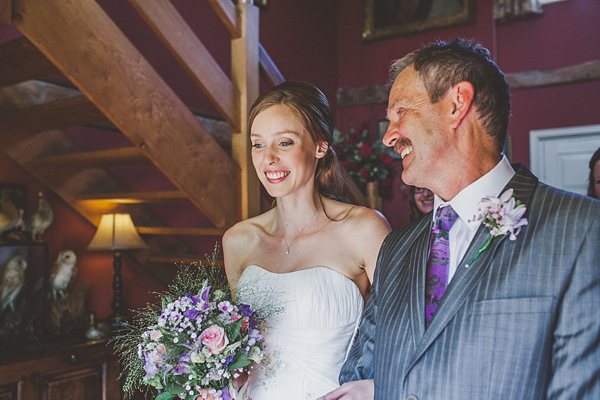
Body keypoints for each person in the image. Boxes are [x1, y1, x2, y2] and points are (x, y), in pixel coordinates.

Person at [323, 38, 600, 400]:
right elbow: (362, 369)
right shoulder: (396, 248)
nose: (389, 137)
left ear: (457, 104)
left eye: (401, 112)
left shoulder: (582, 230)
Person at [223, 81, 391, 400]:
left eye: (284, 143)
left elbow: (402, 332)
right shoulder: (238, 240)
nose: (268, 158)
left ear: (319, 146)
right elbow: (243, 347)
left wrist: (376, 390)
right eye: (258, 145)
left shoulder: (364, 229)